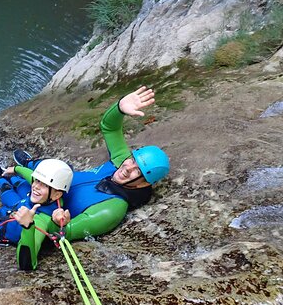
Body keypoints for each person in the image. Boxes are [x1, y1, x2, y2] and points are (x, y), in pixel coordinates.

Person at [13, 86, 170, 241]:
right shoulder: (121, 159)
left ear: (143, 184)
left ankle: (8, 181)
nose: (127, 167)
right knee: (56, 167)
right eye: (133, 160)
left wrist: (56, 222)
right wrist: (120, 108)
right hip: (52, 182)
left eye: (137, 171)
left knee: (16, 187)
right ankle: (30, 164)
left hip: (47, 205)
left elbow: (66, 232)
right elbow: (109, 127)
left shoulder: (112, 209)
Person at [0, 158, 73, 271]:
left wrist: (28, 226)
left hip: (2, 224)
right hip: (19, 204)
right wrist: (15, 169)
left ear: (57, 194)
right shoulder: (50, 197)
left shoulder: (42, 220)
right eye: (37, 181)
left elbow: (27, 264)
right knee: (6, 188)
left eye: (44, 185)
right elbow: (29, 176)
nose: (36, 186)